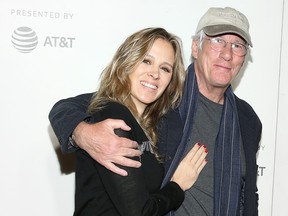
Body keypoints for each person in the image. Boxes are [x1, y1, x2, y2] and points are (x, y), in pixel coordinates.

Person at [49, 7, 262, 216]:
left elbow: (248, 192)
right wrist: (83, 133)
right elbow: (70, 108)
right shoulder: (165, 96)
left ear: (244, 57)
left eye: (237, 45)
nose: (227, 54)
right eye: (217, 41)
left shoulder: (248, 119)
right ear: (196, 47)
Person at [64, 27, 208, 215]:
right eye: (147, 61)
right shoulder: (114, 116)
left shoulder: (149, 125)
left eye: (165, 68)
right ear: (126, 63)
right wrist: (177, 186)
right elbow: (139, 212)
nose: (155, 74)